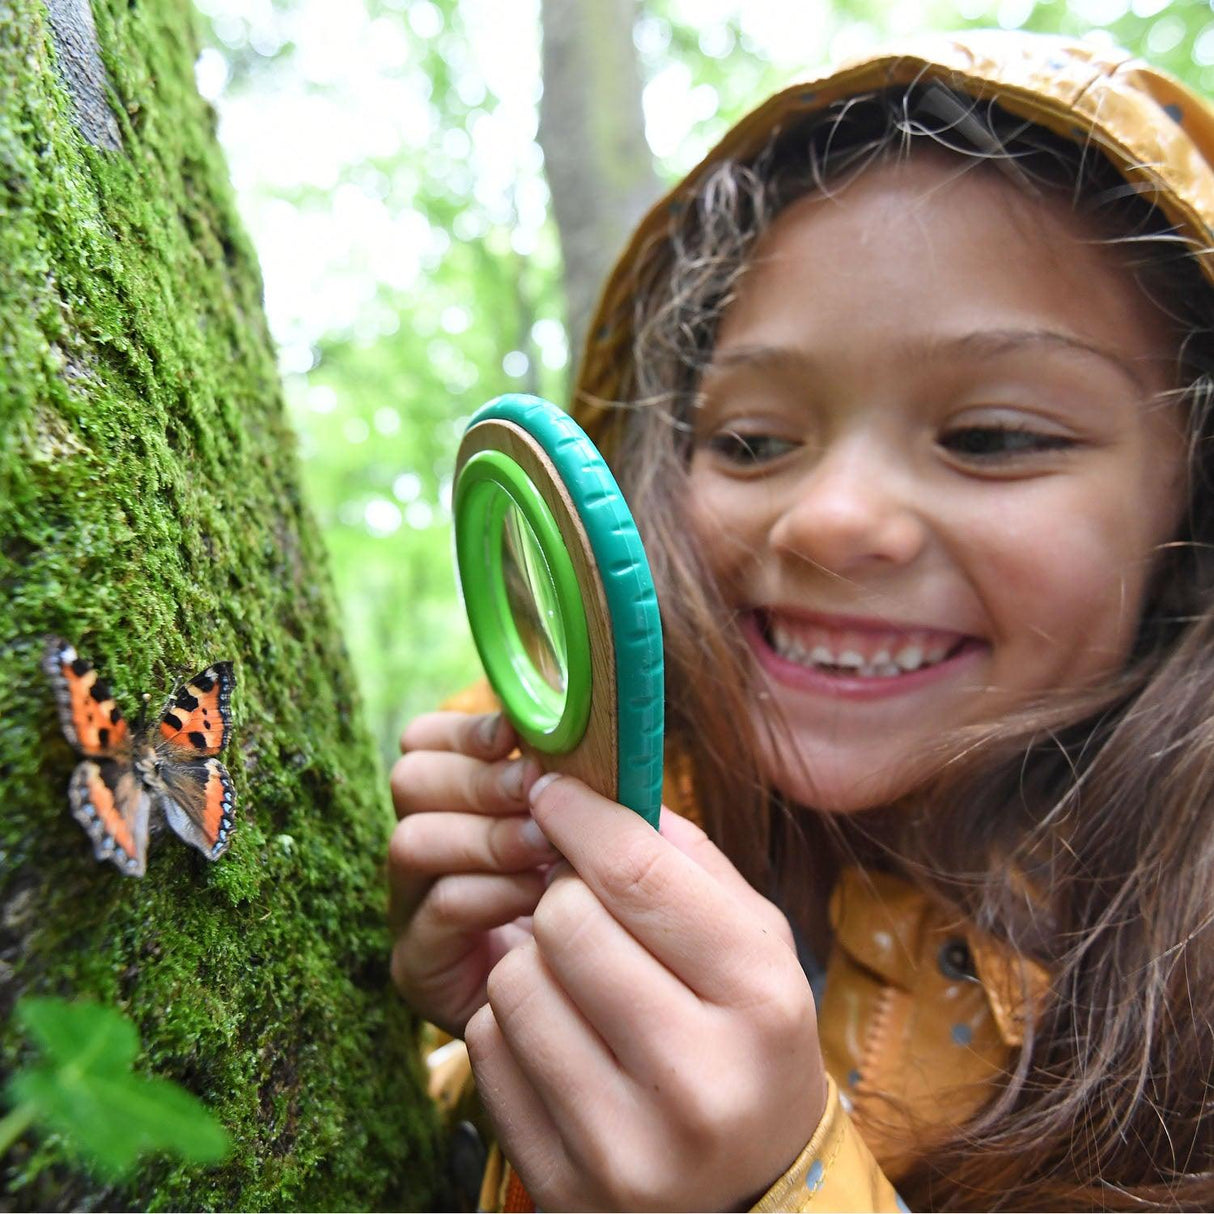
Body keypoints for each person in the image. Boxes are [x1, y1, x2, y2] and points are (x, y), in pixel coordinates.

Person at [388, 28, 1214, 1212]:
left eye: (991, 437)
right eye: (752, 441)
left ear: (1189, 496)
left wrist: (772, 1190)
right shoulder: (547, 777)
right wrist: (463, 1050)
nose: (828, 520)